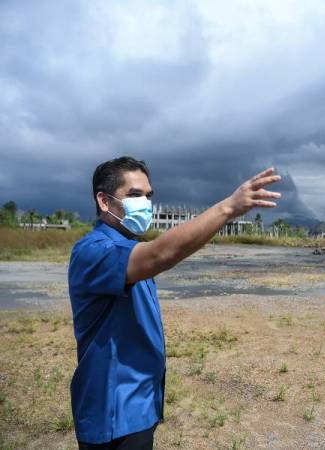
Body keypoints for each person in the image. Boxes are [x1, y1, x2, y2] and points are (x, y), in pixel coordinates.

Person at [68, 156, 281, 449]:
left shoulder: (127, 248)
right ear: (104, 202)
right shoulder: (95, 251)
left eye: (147, 195)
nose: (144, 202)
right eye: (133, 195)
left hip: (138, 404)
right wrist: (228, 207)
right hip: (113, 411)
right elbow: (160, 255)